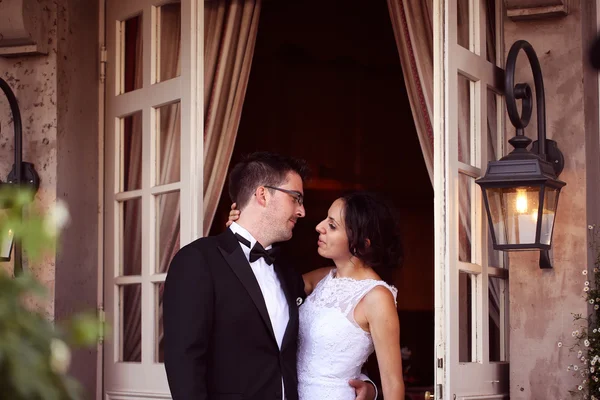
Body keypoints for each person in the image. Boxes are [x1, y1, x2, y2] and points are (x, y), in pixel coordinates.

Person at [162, 151, 376, 400]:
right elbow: (184, 362)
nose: (302, 211)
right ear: (263, 194)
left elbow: (337, 331)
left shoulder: (286, 270)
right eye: (296, 198)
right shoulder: (198, 260)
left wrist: (369, 386)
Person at [227, 192, 406, 400]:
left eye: (332, 226)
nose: (318, 227)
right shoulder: (322, 278)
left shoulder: (377, 297)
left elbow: (393, 382)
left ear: (361, 244)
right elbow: (264, 285)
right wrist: (243, 234)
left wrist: (371, 389)